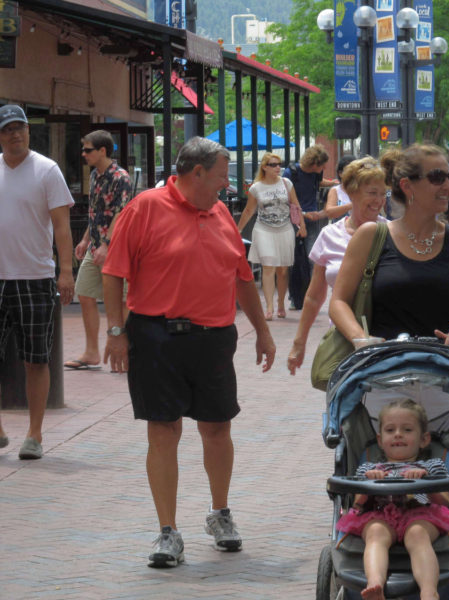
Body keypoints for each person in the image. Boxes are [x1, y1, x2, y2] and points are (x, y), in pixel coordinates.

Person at [102, 137, 277, 568]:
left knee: (217, 428)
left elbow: (242, 278)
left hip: (214, 338)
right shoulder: (144, 207)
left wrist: (262, 331)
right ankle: (168, 532)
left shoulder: (218, 212)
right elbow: (113, 271)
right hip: (156, 336)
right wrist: (115, 331)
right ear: (196, 173)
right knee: (163, 431)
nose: (228, 183)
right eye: (222, 173)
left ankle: (221, 514)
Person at [329, 144, 449, 348]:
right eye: (437, 177)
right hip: (382, 367)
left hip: (446, 368)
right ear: (406, 186)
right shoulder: (371, 236)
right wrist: (361, 339)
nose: (448, 185)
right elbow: (338, 301)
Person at [0, 104, 74, 460]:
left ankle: (35, 434)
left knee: (36, 360)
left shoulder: (47, 170)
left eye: (20, 128)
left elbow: (62, 226)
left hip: (35, 277)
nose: (15, 134)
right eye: (8, 129)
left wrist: (66, 271)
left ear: (29, 131)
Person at [336, 398, 449, 600]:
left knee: (417, 534)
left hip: (422, 514)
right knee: (375, 533)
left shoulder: (432, 465)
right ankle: (375, 585)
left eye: (407, 430)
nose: (398, 435)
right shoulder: (369, 468)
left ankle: (429, 592)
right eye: (390, 430)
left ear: (424, 439)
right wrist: (370, 485)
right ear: (379, 439)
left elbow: (446, 502)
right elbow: (358, 504)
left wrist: (426, 480)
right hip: (380, 516)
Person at [287, 156, 387, 374]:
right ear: (351, 194)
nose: (379, 200)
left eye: (383, 194)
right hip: (343, 340)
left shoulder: (393, 234)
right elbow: (314, 296)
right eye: (372, 193)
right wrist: (299, 343)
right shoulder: (330, 235)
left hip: (386, 338)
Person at [65, 129, 132, 370]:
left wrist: (106, 244)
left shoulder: (120, 177)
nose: (83, 153)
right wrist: (85, 240)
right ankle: (91, 352)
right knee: (84, 293)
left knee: (121, 299)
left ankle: (124, 351)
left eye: (88, 149)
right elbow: (95, 212)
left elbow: (121, 214)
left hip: (114, 247)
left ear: (102, 150)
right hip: (96, 245)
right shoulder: (95, 175)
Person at [237, 152, 307, 320]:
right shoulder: (256, 187)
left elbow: (296, 205)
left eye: (279, 164)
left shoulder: (286, 183)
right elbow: (249, 211)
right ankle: (269, 307)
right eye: (274, 164)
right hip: (263, 229)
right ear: (264, 167)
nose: (278, 167)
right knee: (268, 266)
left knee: (282, 270)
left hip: (284, 229)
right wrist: (237, 230)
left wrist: (302, 225)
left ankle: (281, 303)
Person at [284, 145, 337, 310]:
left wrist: (331, 183)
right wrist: (303, 214)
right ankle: (295, 296)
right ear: (314, 163)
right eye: (322, 165)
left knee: (313, 257)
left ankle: (311, 295)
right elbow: (287, 198)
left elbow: (318, 182)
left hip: (312, 219)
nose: (324, 169)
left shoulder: (316, 173)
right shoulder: (291, 173)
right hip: (295, 219)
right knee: (295, 259)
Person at [323, 154, 357, 222]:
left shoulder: (362, 190)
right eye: (348, 171)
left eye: (355, 171)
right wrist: (352, 205)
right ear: (340, 173)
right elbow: (329, 212)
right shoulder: (335, 190)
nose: (352, 174)